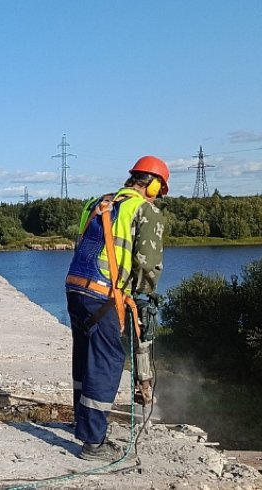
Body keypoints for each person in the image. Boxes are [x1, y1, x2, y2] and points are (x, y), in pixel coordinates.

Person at [64, 156, 168, 461]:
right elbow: (148, 263)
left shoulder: (99, 202)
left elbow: (82, 242)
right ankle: (93, 443)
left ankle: (83, 424)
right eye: (159, 188)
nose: (158, 194)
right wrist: (142, 295)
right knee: (108, 360)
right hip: (103, 294)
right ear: (150, 183)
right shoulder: (144, 209)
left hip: (75, 286)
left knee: (84, 357)